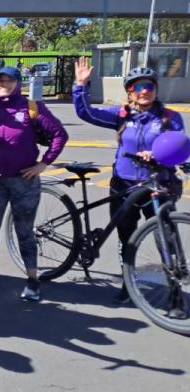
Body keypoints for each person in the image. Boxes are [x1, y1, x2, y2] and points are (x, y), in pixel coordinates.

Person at [73, 59, 185, 303]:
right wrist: (81, 85)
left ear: (155, 90)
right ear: (130, 92)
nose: (144, 91)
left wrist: (159, 156)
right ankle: (128, 283)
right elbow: (87, 112)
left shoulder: (169, 118)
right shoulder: (121, 115)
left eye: (149, 86)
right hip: (124, 185)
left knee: (166, 239)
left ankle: (175, 293)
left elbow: (179, 146)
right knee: (127, 239)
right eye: (138, 87)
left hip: (159, 186)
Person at [0, 66, 68, 301]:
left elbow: (59, 135)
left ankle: (33, 279)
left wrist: (43, 163)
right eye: (0, 81)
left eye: (9, 81)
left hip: (24, 181)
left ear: (18, 83)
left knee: (24, 231)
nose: (4, 84)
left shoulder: (32, 108)